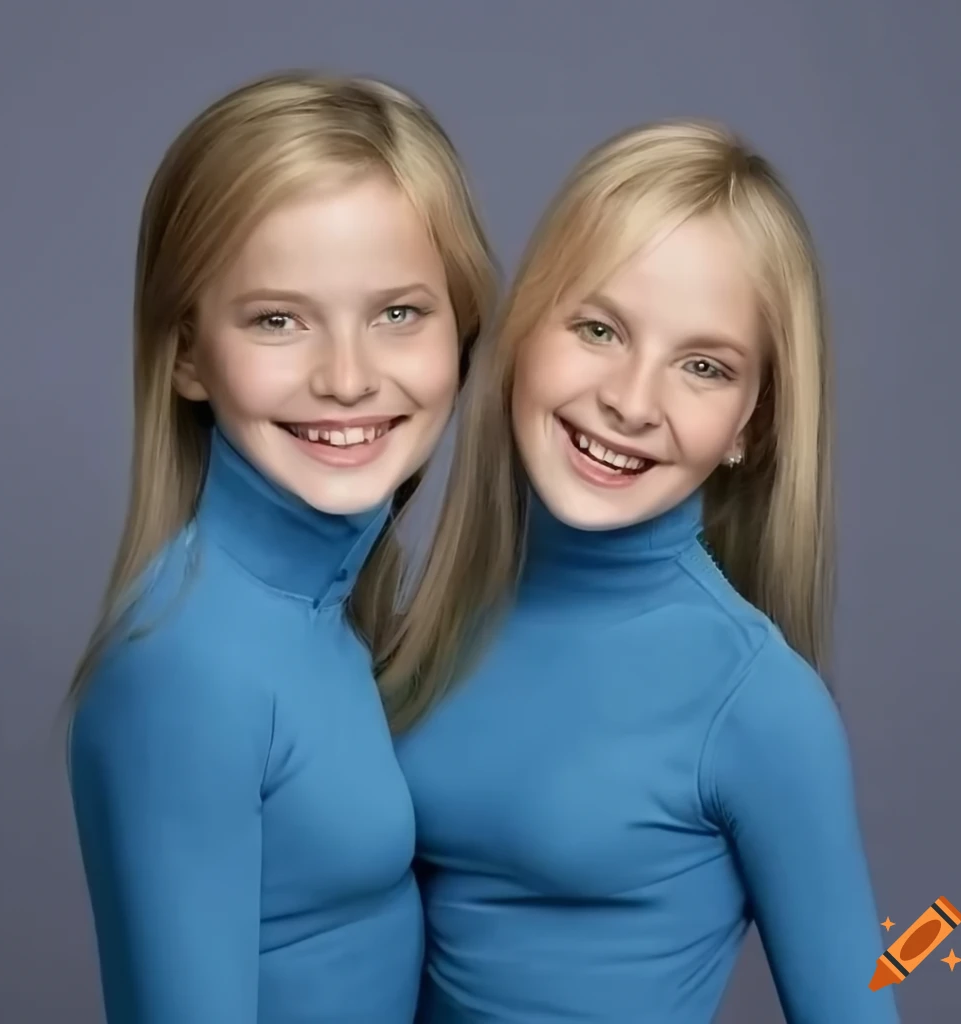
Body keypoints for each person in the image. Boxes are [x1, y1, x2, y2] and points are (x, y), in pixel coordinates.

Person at [358, 122, 900, 1022]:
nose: (632, 401)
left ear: (748, 430)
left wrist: (936, 946)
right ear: (526, 332)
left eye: (702, 366)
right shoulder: (433, 624)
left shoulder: (761, 705)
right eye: (601, 328)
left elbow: (866, 995)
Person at [66, 71, 496, 1024]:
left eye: (398, 312)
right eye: (277, 319)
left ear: (461, 330)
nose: (347, 377)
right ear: (185, 354)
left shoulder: (325, 615)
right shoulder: (186, 670)